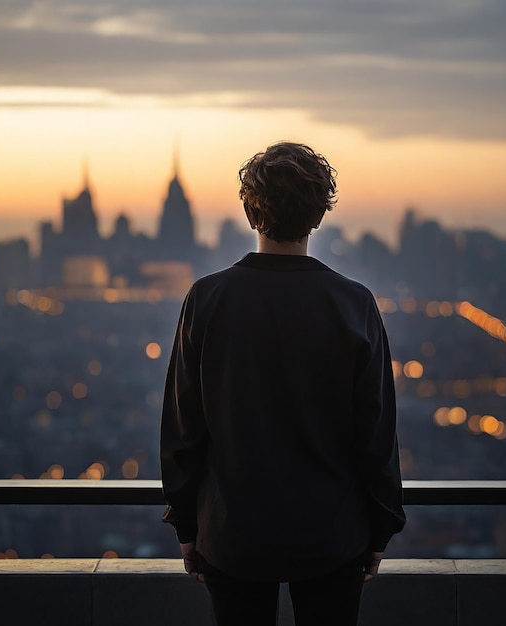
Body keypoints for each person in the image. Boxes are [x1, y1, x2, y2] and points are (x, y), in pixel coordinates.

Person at [160, 142, 405, 626]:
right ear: (318, 214)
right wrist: (380, 530)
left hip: (233, 532)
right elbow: (376, 432)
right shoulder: (352, 304)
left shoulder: (207, 299)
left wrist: (186, 525)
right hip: (332, 534)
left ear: (251, 210)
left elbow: (183, 426)